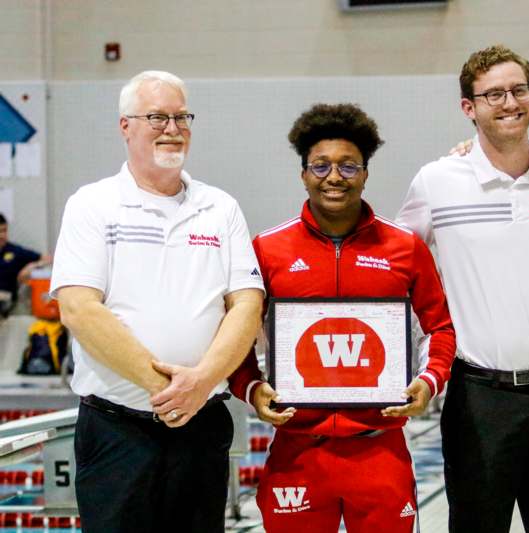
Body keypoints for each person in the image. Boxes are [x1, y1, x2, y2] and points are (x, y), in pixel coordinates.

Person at [49, 71, 264, 533]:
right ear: (125, 126)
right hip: (117, 432)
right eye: (157, 117)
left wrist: (201, 382)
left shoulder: (219, 207)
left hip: (201, 425)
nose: (173, 127)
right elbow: (80, 309)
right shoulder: (93, 205)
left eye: (181, 116)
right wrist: (169, 391)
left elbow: (246, 305)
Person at [227, 103, 456, 533]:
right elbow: (234, 337)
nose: (334, 177)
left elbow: (439, 328)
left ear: (366, 173)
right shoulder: (268, 249)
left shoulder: (404, 248)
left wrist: (429, 383)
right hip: (298, 451)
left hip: (380, 449)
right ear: (303, 173)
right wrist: (252, 388)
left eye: (349, 166)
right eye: (321, 165)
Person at [396, 45, 529, 533]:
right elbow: (393, 268)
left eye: (519, 90)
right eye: (494, 95)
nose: (510, 102)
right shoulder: (438, 181)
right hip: (479, 398)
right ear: (469, 107)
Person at [0, 213, 51, 316]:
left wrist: (33, 266)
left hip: (5, 297)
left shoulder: (15, 251)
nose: (2, 235)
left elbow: (47, 258)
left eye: (4, 230)